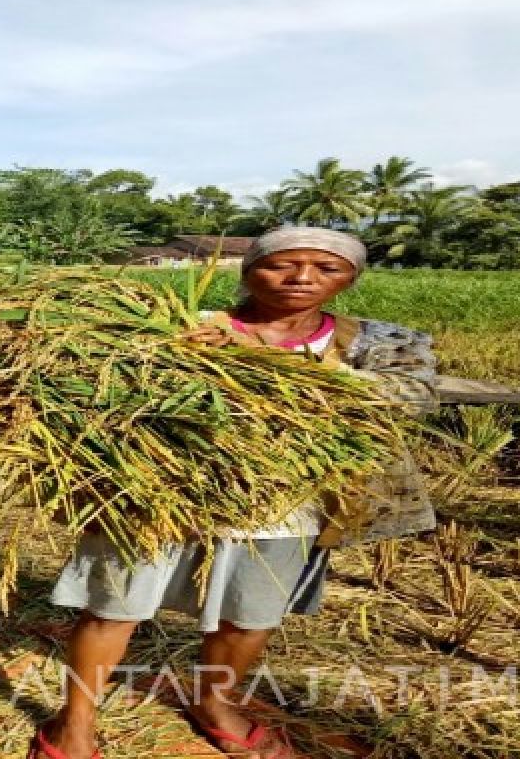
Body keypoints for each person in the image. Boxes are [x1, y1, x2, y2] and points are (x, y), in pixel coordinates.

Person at [31, 228, 438, 759]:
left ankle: (214, 705)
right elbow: (110, 388)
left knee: (248, 615)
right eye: (282, 265)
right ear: (248, 272)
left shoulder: (381, 341)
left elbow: (409, 398)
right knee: (113, 607)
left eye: (326, 268)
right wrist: (178, 358)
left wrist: (259, 359)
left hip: (289, 504)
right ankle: (74, 721)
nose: (302, 278)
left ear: (352, 277)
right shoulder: (186, 328)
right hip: (167, 492)